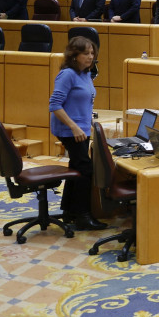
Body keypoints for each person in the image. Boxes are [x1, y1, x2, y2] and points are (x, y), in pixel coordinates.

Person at [49, 36, 107, 231]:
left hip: (81, 129)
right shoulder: (67, 74)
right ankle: (82, 215)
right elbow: (55, 105)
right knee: (86, 170)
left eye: (92, 53)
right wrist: (74, 127)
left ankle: (69, 211)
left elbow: (86, 101)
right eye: (86, 53)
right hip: (69, 130)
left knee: (76, 167)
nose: (90, 57)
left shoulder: (85, 74)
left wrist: (88, 122)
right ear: (74, 55)